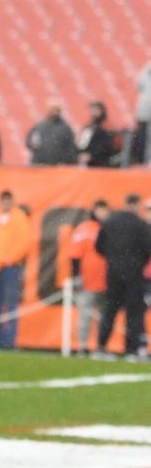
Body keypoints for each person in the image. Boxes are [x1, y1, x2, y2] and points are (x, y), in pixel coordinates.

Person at [95, 194, 151, 359]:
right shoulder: (141, 225)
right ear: (136, 205)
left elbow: (99, 246)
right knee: (134, 312)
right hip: (134, 273)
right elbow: (149, 248)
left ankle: (101, 346)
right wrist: (137, 261)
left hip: (113, 272)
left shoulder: (110, 222)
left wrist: (113, 259)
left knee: (110, 310)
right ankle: (132, 349)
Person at [0, 190, 31, 351]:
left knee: (11, 303)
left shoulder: (19, 217)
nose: (5, 204)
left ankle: (10, 340)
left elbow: (24, 242)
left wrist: (8, 259)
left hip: (10, 266)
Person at [70, 200, 109, 355]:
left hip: (106, 280)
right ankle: (82, 346)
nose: (102, 213)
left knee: (104, 316)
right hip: (88, 280)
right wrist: (76, 276)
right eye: (100, 210)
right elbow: (74, 255)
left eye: (104, 210)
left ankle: (100, 346)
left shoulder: (108, 228)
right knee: (85, 315)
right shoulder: (84, 228)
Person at [26, 100, 77, 166]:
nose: (54, 112)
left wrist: (66, 162)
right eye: (52, 109)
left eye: (56, 109)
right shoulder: (39, 126)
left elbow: (71, 148)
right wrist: (32, 144)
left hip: (57, 165)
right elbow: (29, 141)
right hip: (39, 164)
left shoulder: (66, 129)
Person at [78, 100, 116, 168]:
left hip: (102, 163)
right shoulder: (89, 126)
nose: (93, 112)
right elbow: (83, 143)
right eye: (92, 109)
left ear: (101, 110)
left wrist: (91, 155)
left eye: (95, 109)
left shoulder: (107, 125)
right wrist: (82, 153)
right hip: (89, 163)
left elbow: (106, 146)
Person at [132, 58, 151, 164]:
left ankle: (145, 160)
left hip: (144, 111)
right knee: (143, 138)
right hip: (144, 112)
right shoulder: (145, 74)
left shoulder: (144, 75)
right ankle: (143, 160)